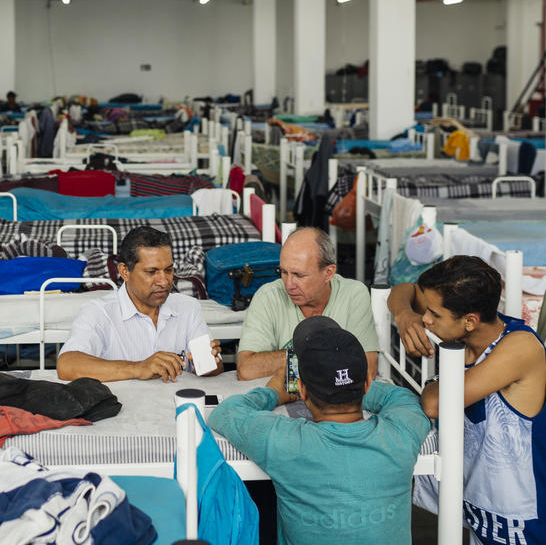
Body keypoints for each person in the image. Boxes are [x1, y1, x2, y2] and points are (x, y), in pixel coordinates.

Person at [210, 316, 429, 545]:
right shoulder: (400, 434)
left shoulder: (287, 442)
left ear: (302, 390)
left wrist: (274, 391)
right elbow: (401, 397)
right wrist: (349, 388)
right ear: (367, 383)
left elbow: (225, 413)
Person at [394, 256, 546, 545]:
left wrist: (435, 381)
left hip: (519, 523)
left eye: (433, 314)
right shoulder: (457, 319)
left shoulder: (520, 347)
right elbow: (403, 292)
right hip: (480, 511)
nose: (426, 320)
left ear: (470, 321)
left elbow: (435, 404)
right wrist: (403, 316)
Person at [57, 226, 222, 382]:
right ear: (125, 272)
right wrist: (138, 368)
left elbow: (215, 369)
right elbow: (67, 365)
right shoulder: (99, 312)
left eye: (169, 270)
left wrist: (209, 363)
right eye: (152, 272)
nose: (164, 282)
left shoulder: (189, 307)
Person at [236, 227, 378, 381]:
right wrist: (326, 355)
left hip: (334, 401)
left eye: (299, 275)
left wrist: (292, 360)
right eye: (283, 272)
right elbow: (246, 369)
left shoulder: (354, 295)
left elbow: (367, 369)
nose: (289, 284)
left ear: (328, 273)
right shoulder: (267, 296)